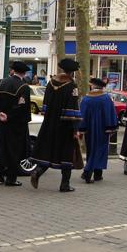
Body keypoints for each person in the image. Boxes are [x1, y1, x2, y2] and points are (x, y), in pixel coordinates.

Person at [29, 58, 81, 193]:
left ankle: (37, 172)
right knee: (66, 154)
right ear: (72, 72)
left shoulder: (51, 83)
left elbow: (45, 105)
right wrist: (75, 128)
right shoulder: (71, 85)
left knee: (49, 150)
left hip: (50, 123)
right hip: (65, 125)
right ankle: (65, 184)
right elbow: (73, 108)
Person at [0, 62, 32, 187]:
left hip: (2, 122)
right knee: (15, 150)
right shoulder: (24, 87)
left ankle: (0, 172)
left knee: (2, 146)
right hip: (16, 124)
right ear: (24, 73)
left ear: (13, 70)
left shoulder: (0, 83)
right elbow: (22, 107)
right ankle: (11, 178)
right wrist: (9, 116)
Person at [78, 78, 117, 183]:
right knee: (100, 150)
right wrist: (111, 127)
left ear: (93, 86)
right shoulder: (106, 98)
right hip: (102, 129)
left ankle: (97, 174)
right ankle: (88, 172)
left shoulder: (86, 99)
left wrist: (82, 128)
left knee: (91, 150)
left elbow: (82, 115)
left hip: (89, 130)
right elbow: (110, 113)